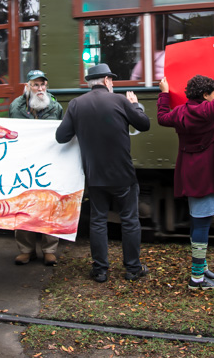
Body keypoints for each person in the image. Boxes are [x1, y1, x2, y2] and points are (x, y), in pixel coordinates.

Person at [156, 46, 214, 290]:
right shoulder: (209, 111)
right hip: (208, 174)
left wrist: (164, 94)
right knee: (202, 225)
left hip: (190, 174)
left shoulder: (179, 114)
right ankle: (197, 277)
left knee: (199, 222)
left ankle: (202, 269)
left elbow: (161, 117)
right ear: (206, 95)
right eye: (213, 93)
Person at [55, 63, 151, 283]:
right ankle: (132, 269)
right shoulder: (120, 101)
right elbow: (144, 124)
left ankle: (100, 270)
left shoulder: (76, 104)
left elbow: (61, 137)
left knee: (97, 221)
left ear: (91, 83)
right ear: (107, 81)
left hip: (95, 175)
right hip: (123, 175)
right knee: (129, 220)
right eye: (112, 80)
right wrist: (135, 105)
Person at [8, 69, 64, 266]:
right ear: (28, 86)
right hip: (24, 163)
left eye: (42, 84)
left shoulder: (55, 106)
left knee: (49, 205)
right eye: (35, 85)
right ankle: (26, 250)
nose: (39, 88)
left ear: (46, 86)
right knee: (24, 205)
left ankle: (49, 249)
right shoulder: (16, 106)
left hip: (48, 163)